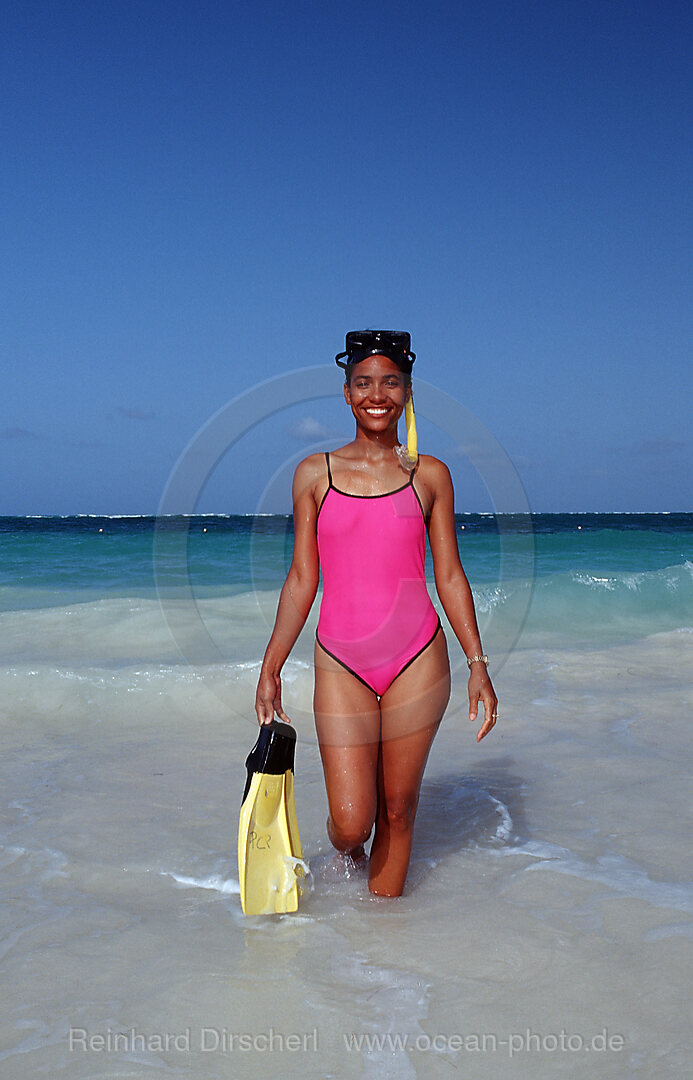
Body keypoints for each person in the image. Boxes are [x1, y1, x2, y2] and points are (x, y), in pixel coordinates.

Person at [255, 330, 498, 897]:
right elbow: (301, 579)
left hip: (418, 654)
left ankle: (384, 947)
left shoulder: (431, 476)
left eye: (390, 382)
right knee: (350, 821)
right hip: (342, 657)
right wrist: (271, 665)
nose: (377, 394)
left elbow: (450, 575)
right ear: (346, 394)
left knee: (398, 808)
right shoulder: (315, 475)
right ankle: (347, 857)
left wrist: (478, 662)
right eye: (364, 383)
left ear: (408, 392)